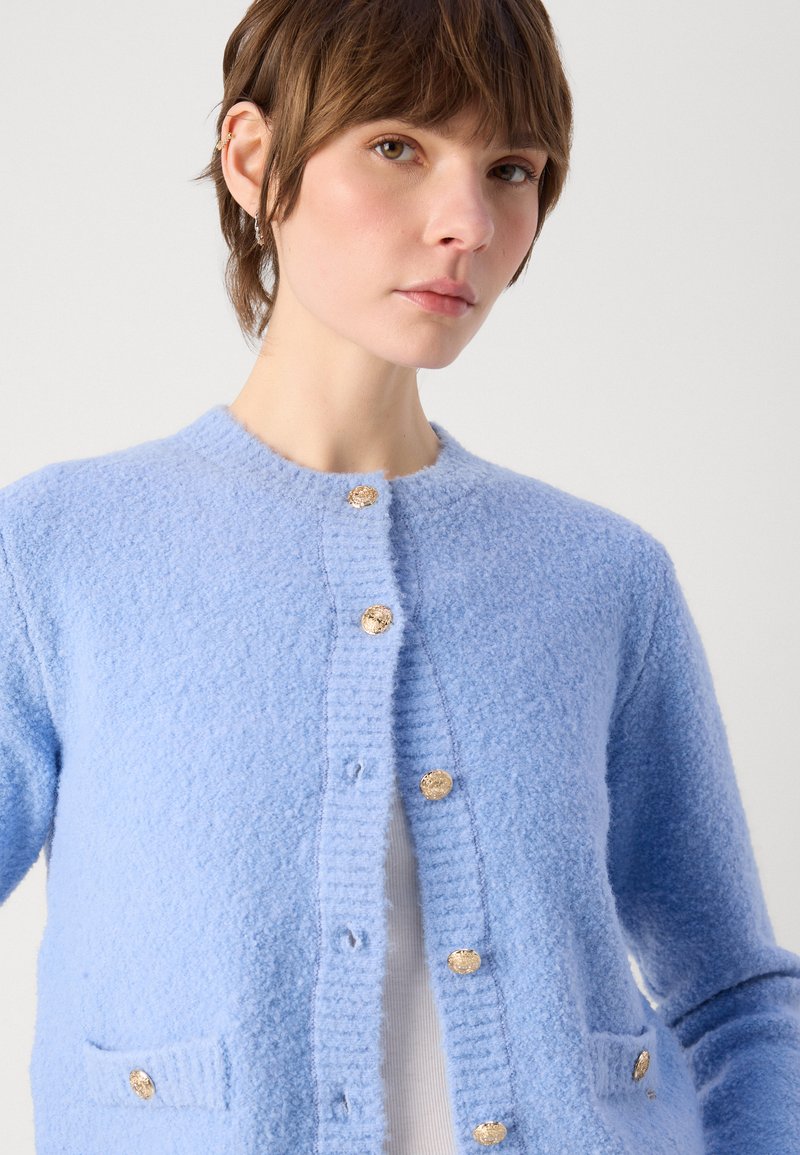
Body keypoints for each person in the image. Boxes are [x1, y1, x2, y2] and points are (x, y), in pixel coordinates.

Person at [1, 1, 798, 1153]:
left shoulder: (603, 577)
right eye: (395, 147)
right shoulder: (59, 551)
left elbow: (735, 997)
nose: (466, 222)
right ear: (252, 160)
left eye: (510, 169)